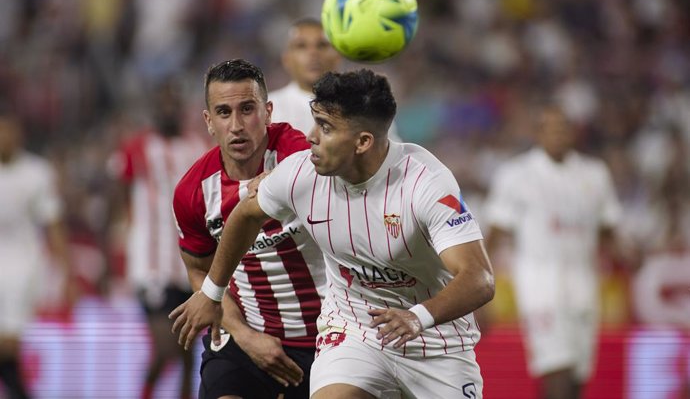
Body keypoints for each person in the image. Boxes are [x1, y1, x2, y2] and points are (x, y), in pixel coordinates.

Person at [171, 69, 495, 398]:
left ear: (362, 142)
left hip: (436, 344)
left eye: (325, 128)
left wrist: (417, 317)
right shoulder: (302, 172)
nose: (311, 136)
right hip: (353, 334)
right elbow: (244, 216)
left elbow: (479, 278)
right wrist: (212, 292)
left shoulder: (427, 184)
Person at [172, 58, 326, 399]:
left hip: (326, 336)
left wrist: (278, 181)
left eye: (247, 109)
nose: (237, 125)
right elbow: (199, 271)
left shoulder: (297, 154)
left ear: (268, 112)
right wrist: (244, 335)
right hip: (245, 336)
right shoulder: (193, 192)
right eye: (224, 113)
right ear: (209, 122)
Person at [482, 104, 623, 399]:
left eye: (564, 127)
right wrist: (481, 289)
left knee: (577, 375)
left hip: (584, 281)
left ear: (573, 132)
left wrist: (626, 253)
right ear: (538, 133)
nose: (558, 134)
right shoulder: (516, 175)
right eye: (551, 128)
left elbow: (608, 228)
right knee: (554, 365)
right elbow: (496, 232)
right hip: (540, 282)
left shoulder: (595, 174)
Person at [107, 83, 207, 399]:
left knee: (187, 351)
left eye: (173, 104)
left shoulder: (198, 147)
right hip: (151, 265)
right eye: (162, 104)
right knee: (168, 348)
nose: (168, 110)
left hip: (190, 263)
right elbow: (119, 195)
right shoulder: (136, 148)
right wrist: (123, 234)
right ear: (153, 110)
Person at [0, 111, 73, 399]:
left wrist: (66, 272)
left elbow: (53, 224)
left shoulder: (37, 172)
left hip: (22, 270)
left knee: (8, 343)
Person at [269, 18, 401, 141]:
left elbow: (389, 158)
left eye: (322, 45)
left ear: (337, 56)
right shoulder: (267, 111)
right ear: (286, 59)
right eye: (301, 46)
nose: (313, 53)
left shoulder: (366, 106)